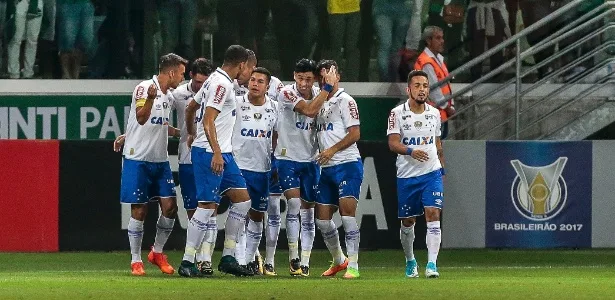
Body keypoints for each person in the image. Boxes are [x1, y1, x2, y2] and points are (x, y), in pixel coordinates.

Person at [179, 45, 256, 277]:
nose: (250, 74)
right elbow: (209, 120)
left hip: (223, 152)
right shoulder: (221, 84)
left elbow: (191, 108)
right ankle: (187, 261)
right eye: (250, 68)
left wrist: (191, 133)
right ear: (242, 65)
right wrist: (215, 151)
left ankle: (229, 256)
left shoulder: (216, 79)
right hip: (212, 153)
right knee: (206, 207)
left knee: (242, 201)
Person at [120, 53, 188, 276]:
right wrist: (150, 99)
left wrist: (180, 133)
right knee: (140, 210)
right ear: (170, 72)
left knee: (170, 208)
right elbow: (141, 118)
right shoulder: (144, 88)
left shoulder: (168, 95)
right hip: (137, 158)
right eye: (181, 73)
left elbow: (160, 124)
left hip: (160, 160)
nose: (182, 78)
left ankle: (156, 252)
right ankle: (136, 260)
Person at [271, 58, 336, 276]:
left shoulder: (320, 92)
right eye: (301, 78)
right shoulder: (287, 93)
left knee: (308, 212)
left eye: (309, 79)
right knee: (294, 204)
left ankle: (305, 261)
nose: (305, 83)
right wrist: (327, 87)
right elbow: (309, 111)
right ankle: (293, 257)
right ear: (294, 76)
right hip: (287, 157)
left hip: (311, 160)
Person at [386, 69, 445, 278]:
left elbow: (437, 143)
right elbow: (393, 143)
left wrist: (442, 167)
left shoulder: (435, 113)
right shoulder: (397, 114)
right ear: (408, 88)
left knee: (433, 214)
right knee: (408, 221)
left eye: (425, 86)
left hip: (431, 173)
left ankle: (432, 264)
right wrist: (411, 151)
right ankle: (411, 260)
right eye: (418, 86)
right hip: (407, 175)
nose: (422, 90)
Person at [313, 60, 363, 279]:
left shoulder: (346, 100)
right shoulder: (319, 101)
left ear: (338, 76)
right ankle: (339, 260)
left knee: (347, 215)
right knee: (322, 220)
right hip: (327, 167)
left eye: (330, 75)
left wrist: (331, 150)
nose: (326, 79)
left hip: (347, 164)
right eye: (323, 76)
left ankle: (354, 265)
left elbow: (354, 134)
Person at [232, 67, 279, 275]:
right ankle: (240, 259)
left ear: (267, 86)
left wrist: (275, 160)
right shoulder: (236, 103)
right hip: (238, 166)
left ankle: (251, 259)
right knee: (239, 214)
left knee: (258, 215)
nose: (255, 84)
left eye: (260, 81)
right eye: (252, 80)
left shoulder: (275, 108)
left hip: (262, 168)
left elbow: (277, 136)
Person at [414, 26, 455, 139]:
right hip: (434, 114)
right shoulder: (427, 62)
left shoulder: (437, 60)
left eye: (442, 38)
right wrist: (448, 107)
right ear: (428, 40)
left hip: (440, 113)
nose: (442, 41)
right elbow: (433, 90)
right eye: (438, 38)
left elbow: (445, 86)